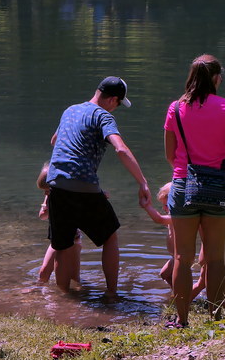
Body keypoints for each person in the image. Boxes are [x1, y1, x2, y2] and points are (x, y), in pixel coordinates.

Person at [45, 76, 151, 295]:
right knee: (110, 235)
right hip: (83, 184)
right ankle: (111, 294)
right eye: (119, 104)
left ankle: (63, 300)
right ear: (113, 100)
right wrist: (142, 182)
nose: (117, 108)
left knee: (63, 245)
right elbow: (120, 149)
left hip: (56, 184)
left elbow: (55, 140)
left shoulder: (71, 110)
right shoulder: (103, 116)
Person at [163, 54, 225, 328]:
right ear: (215, 77)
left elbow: (170, 154)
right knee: (215, 257)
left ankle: (181, 320)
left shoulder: (175, 109)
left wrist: (185, 171)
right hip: (217, 187)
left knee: (182, 257)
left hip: (182, 185)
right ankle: (218, 317)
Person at [141, 182, 207, 293]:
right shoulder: (173, 215)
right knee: (164, 274)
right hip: (174, 256)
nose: (164, 208)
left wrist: (147, 207)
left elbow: (159, 219)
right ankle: (178, 293)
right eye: (163, 205)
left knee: (174, 275)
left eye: (167, 205)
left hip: (182, 256)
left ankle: (184, 295)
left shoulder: (179, 217)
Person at [36, 163, 81, 286]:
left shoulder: (69, 195)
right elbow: (42, 216)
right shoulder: (49, 197)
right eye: (44, 191)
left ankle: (74, 296)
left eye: (48, 190)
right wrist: (45, 207)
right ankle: (38, 289)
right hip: (56, 239)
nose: (46, 194)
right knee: (44, 272)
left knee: (74, 276)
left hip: (74, 239)